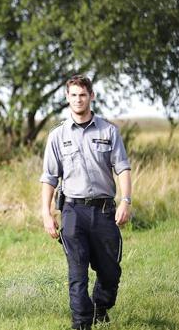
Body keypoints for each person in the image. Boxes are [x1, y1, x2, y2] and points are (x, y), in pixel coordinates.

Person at [40, 75, 132, 330]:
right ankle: (81, 323)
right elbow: (49, 177)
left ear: (91, 96)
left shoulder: (108, 130)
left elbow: (122, 168)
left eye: (83, 94)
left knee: (110, 271)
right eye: (73, 95)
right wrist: (47, 213)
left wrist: (125, 201)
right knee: (77, 272)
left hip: (104, 211)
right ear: (66, 98)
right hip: (72, 210)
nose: (78, 99)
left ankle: (100, 306)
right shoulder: (57, 135)